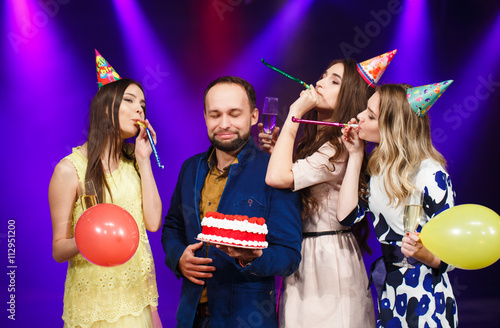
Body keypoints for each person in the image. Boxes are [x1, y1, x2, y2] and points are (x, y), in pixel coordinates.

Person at [161, 76, 302, 328]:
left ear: (254, 116)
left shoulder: (274, 172)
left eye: (234, 114)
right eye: (215, 115)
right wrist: (178, 257)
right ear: (205, 117)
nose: (224, 124)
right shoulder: (190, 168)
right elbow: (173, 225)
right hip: (191, 316)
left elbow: (289, 255)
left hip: (245, 319)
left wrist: (252, 257)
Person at [265, 56, 394, 327]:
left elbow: (277, 177)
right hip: (307, 253)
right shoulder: (318, 141)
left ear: (349, 97)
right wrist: (279, 146)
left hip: (327, 258)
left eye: (334, 81)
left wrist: (294, 113)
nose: (320, 83)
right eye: (323, 76)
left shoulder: (337, 147)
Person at [48, 51, 162, 327]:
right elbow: (59, 249)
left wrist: (144, 160)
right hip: (94, 308)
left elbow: (153, 223)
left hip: (138, 302)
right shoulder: (69, 169)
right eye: (130, 100)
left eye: (143, 105)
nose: (140, 110)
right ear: (106, 107)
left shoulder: (133, 164)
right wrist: (90, 240)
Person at [337, 82, 458, 327]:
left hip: (425, 292)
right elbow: (347, 216)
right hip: (390, 286)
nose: (359, 116)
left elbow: (451, 257)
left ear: (393, 127)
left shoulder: (431, 174)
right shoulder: (375, 167)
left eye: (370, 116)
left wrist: (421, 252)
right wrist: (356, 155)